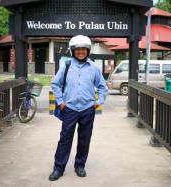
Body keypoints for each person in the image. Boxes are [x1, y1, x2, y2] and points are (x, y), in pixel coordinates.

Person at [49, 35, 108, 181]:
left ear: (88, 50)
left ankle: (80, 166)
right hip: (69, 109)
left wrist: (99, 101)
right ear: (73, 51)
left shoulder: (94, 67)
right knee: (65, 139)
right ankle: (58, 168)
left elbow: (102, 86)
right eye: (77, 49)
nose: (80, 52)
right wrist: (60, 102)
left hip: (88, 109)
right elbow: (55, 84)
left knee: (84, 139)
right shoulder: (67, 65)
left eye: (83, 49)